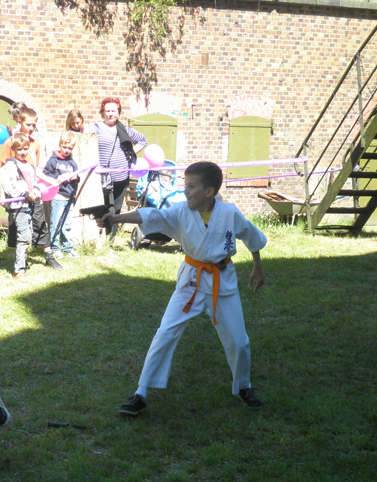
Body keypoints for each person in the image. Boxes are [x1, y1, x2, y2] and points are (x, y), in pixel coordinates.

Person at [97, 162, 267, 416]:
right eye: (185, 185)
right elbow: (151, 215)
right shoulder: (181, 211)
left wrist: (258, 266)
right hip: (191, 282)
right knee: (165, 333)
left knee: (239, 342)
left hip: (222, 282)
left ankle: (244, 386)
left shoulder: (229, 214)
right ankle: (141, 393)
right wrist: (116, 218)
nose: (185, 191)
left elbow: (250, 236)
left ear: (209, 192)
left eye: (191, 186)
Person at [0, 107, 62, 271]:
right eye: (28, 124)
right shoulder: (11, 142)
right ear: (20, 122)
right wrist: (3, 194)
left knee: (40, 222)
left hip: (32, 191)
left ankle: (48, 256)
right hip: (18, 195)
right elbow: (4, 169)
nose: (31, 128)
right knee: (20, 227)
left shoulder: (35, 144)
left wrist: (49, 180)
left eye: (34, 125)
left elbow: (35, 169)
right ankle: (21, 261)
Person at [91, 97, 147, 241]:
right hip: (104, 177)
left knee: (116, 210)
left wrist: (131, 153)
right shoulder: (97, 128)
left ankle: (110, 241)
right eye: (107, 111)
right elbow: (82, 133)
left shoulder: (125, 130)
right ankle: (101, 238)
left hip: (122, 176)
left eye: (113, 111)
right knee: (106, 208)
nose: (111, 114)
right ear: (102, 113)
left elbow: (143, 140)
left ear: (118, 112)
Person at [2, 133, 43, 278]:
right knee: (24, 235)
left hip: (28, 205)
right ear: (13, 149)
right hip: (17, 206)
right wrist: (25, 193)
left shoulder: (30, 166)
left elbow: (34, 183)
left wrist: (36, 190)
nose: (23, 152)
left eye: (25, 149)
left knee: (27, 235)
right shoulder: (10, 165)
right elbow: (9, 187)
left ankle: (22, 264)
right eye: (19, 149)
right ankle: (18, 270)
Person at [43, 131, 80, 259]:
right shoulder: (53, 161)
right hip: (58, 196)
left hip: (69, 197)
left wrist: (75, 178)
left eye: (70, 148)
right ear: (60, 145)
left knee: (66, 224)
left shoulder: (72, 162)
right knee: (56, 223)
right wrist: (58, 178)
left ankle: (67, 247)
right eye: (65, 147)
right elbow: (46, 175)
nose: (67, 150)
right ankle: (54, 247)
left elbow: (77, 177)